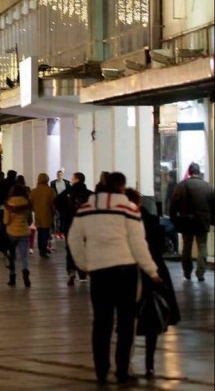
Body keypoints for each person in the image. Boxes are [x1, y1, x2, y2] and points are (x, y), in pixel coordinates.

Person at [69, 171, 161, 385]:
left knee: (102, 322)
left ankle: (101, 371)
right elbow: (138, 244)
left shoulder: (86, 209)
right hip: (125, 271)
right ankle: (122, 372)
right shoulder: (129, 209)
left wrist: (84, 265)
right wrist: (152, 271)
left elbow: (73, 239)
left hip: (99, 272)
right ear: (121, 187)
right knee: (127, 322)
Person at [125, 188, 180, 378]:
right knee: (152, 319)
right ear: (138, 201)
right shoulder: (151, 220)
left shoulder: (122, 221)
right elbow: (157, 246)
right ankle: (149, 364)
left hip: (130, 272)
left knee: (128, 319)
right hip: (153, 271)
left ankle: (126, 362)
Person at [169, 162, 215, 282]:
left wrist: (174, 220)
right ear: (199, 172)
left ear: (189, 172)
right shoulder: (208, 187)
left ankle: (187, 272)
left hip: (186, 220)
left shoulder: (181, 186)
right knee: (202, 246)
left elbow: (173, 205)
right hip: (202, 220)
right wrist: (212, 221)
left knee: (186, 246)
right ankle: (200, 273)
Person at [56, 172, 91, 285]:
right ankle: (82, 272)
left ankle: (71, 271)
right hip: (85, 226)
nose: (71, 180)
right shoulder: (89, 194)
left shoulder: (68, 192)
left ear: (77, 180)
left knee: (70, 249)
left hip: (70, 225)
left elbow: (57, 202)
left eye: (73, 178)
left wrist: (64, 213)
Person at [3, 184, 33, 287]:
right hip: (24, 232)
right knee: (24, 256)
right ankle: (25, 274)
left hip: (11, 232)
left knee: (12, 256)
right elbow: (30, 220)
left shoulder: (8, 203)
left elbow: (6, 221)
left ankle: (12, 277)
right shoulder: (27, 202)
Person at [30, 173, 56, 258]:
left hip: (38, 215)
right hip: (47, 214)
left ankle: (41, 249)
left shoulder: (34, 191)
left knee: (40, 232)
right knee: (45, 233)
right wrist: (54, 212)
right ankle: (43, 250)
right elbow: (54, 203)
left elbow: (30, 203)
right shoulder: (50, 190)